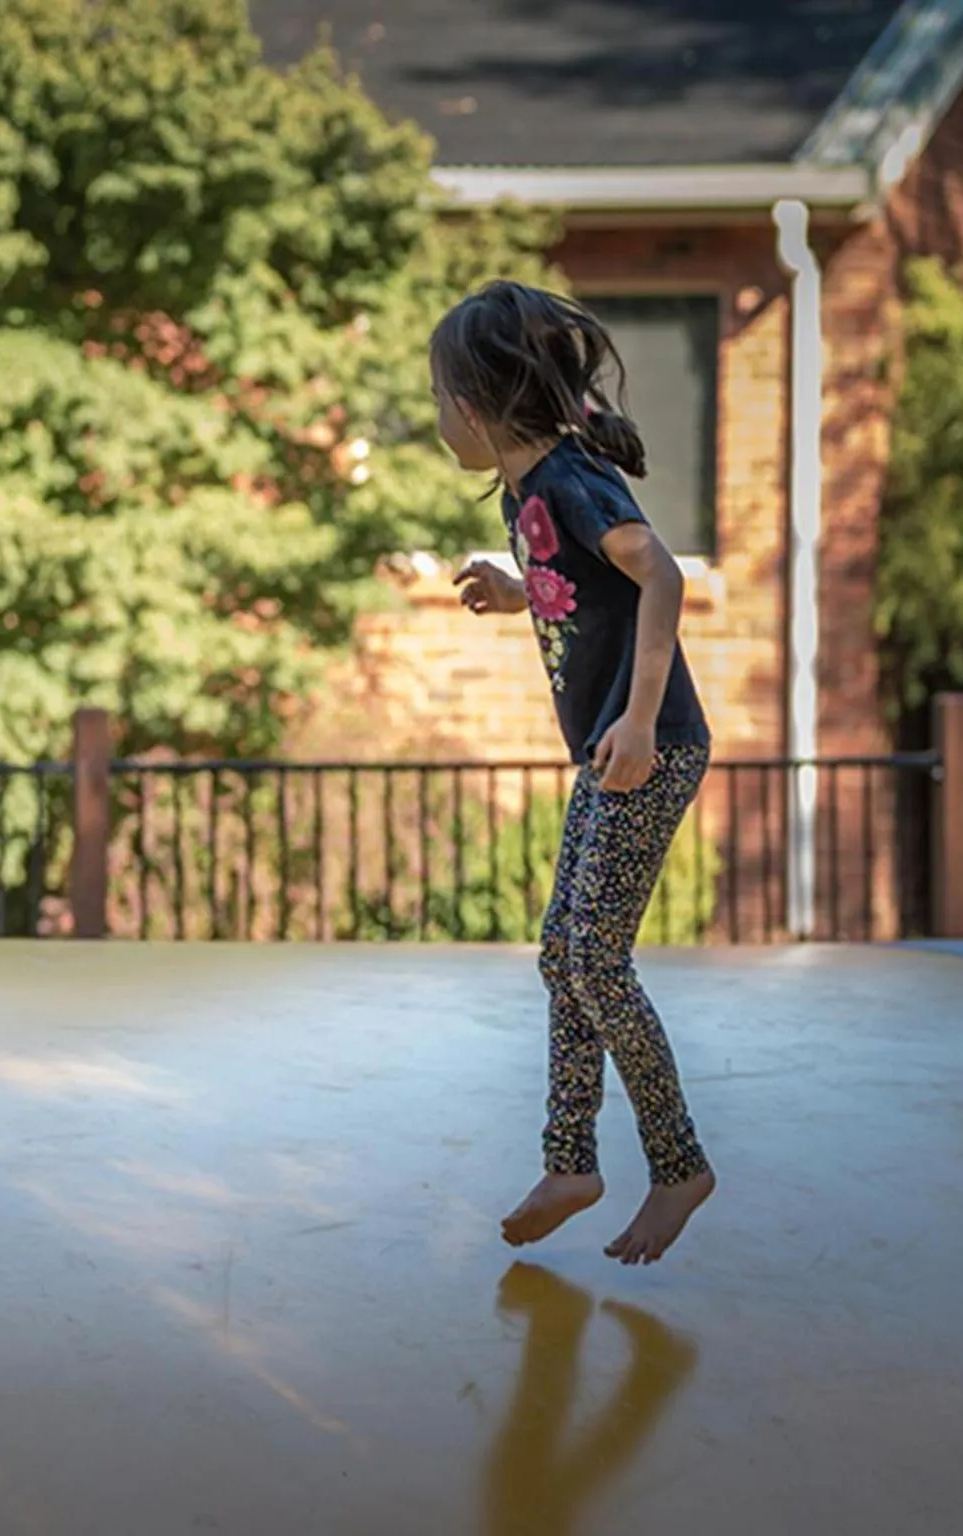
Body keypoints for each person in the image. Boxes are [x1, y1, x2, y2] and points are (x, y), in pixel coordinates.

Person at [435, 280, 715, 1265]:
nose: (436, 421)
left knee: (591, 956)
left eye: (436, 403)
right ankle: (570, 1161)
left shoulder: (564, 479)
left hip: (647, 742)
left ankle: (675, 1166)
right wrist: (522, 591)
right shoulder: (526, 494)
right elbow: (591, 583)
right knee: (563, 951)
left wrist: (639, 717)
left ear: (471, 406)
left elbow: (660, 572)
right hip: (611, 749)